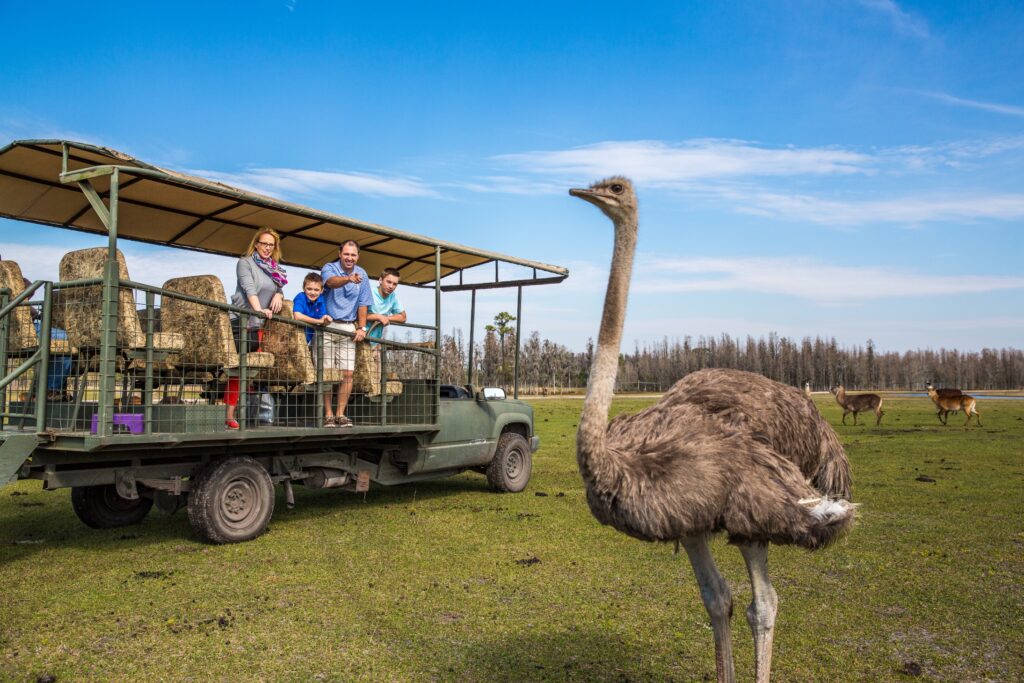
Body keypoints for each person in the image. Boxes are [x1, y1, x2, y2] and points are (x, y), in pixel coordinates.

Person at [224, 228, 286, 430]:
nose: (267, 248)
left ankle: (255, 414)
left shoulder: (274, 269)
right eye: (264, 243)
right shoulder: (245, 263)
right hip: (241, 322)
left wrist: (279, 295)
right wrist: (260, 310)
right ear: (256, 244)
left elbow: (277, 288)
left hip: (258, 325)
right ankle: (229, 416)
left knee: (254, 372)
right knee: (240, 369)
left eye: (271, 245)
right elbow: (249, 288)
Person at [320, 240, 371, 427]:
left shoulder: (363, 274)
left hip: (349, 327)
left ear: (358, 256)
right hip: (328, 325)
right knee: (328, 374)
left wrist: (362, 327)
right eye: (346, 254)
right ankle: (328, 414)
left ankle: (340, 414)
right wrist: (349, 279)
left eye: (353, 255)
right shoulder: (330, 268)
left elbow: (363, 303)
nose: (350, 258)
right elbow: (330, 283)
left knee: (347, 373)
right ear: (340, 253)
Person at [366, 267, 406, 344]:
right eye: (388, 282)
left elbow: (403, 317)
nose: (391, 286)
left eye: (394, 284)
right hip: (360, 336)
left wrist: (386, 318)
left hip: (376, 341)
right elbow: (358, 314)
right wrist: (379, 317)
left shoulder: (393, 297)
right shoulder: (369, 292)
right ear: (380, 280)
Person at [291, 272, 332, 344]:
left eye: (316, 290)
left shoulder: (321, 300)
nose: (312, 293)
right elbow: (297, 316)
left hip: (307, 339)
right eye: (309, 289)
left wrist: (327, 321)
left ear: (321, 291)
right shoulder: (301, 297)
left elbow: (323, 319)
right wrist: (319, 321)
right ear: (304, 288)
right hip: (293, 337)